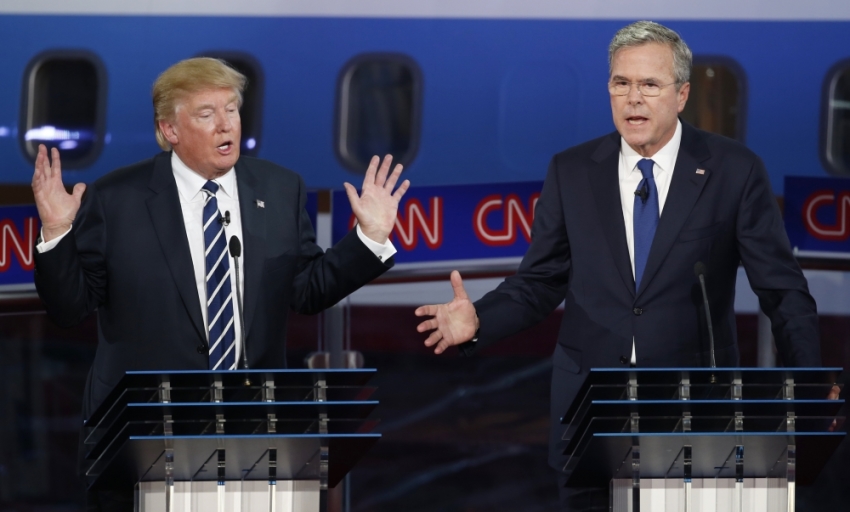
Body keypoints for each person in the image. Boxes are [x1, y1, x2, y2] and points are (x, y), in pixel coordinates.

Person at [415, 21, 826, 510]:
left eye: (650, 85)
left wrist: (809, 385)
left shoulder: (733, 171)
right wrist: (480, 319)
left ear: (682, 95)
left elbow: (781, 289)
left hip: (692, 417)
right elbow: (540, 282)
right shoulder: (571, 171)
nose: (633, 99)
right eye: (621, 84)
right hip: (590, 419)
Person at [31, 57, 408, 511]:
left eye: (231, 109)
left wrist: (369, 239)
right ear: (170, 129)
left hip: (257, 438)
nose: (225, 125)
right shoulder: (118, 200)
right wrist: (56, 233)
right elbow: (70, 308)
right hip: (147, 442)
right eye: (207, 114)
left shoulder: (279, 188)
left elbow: (307, 289)